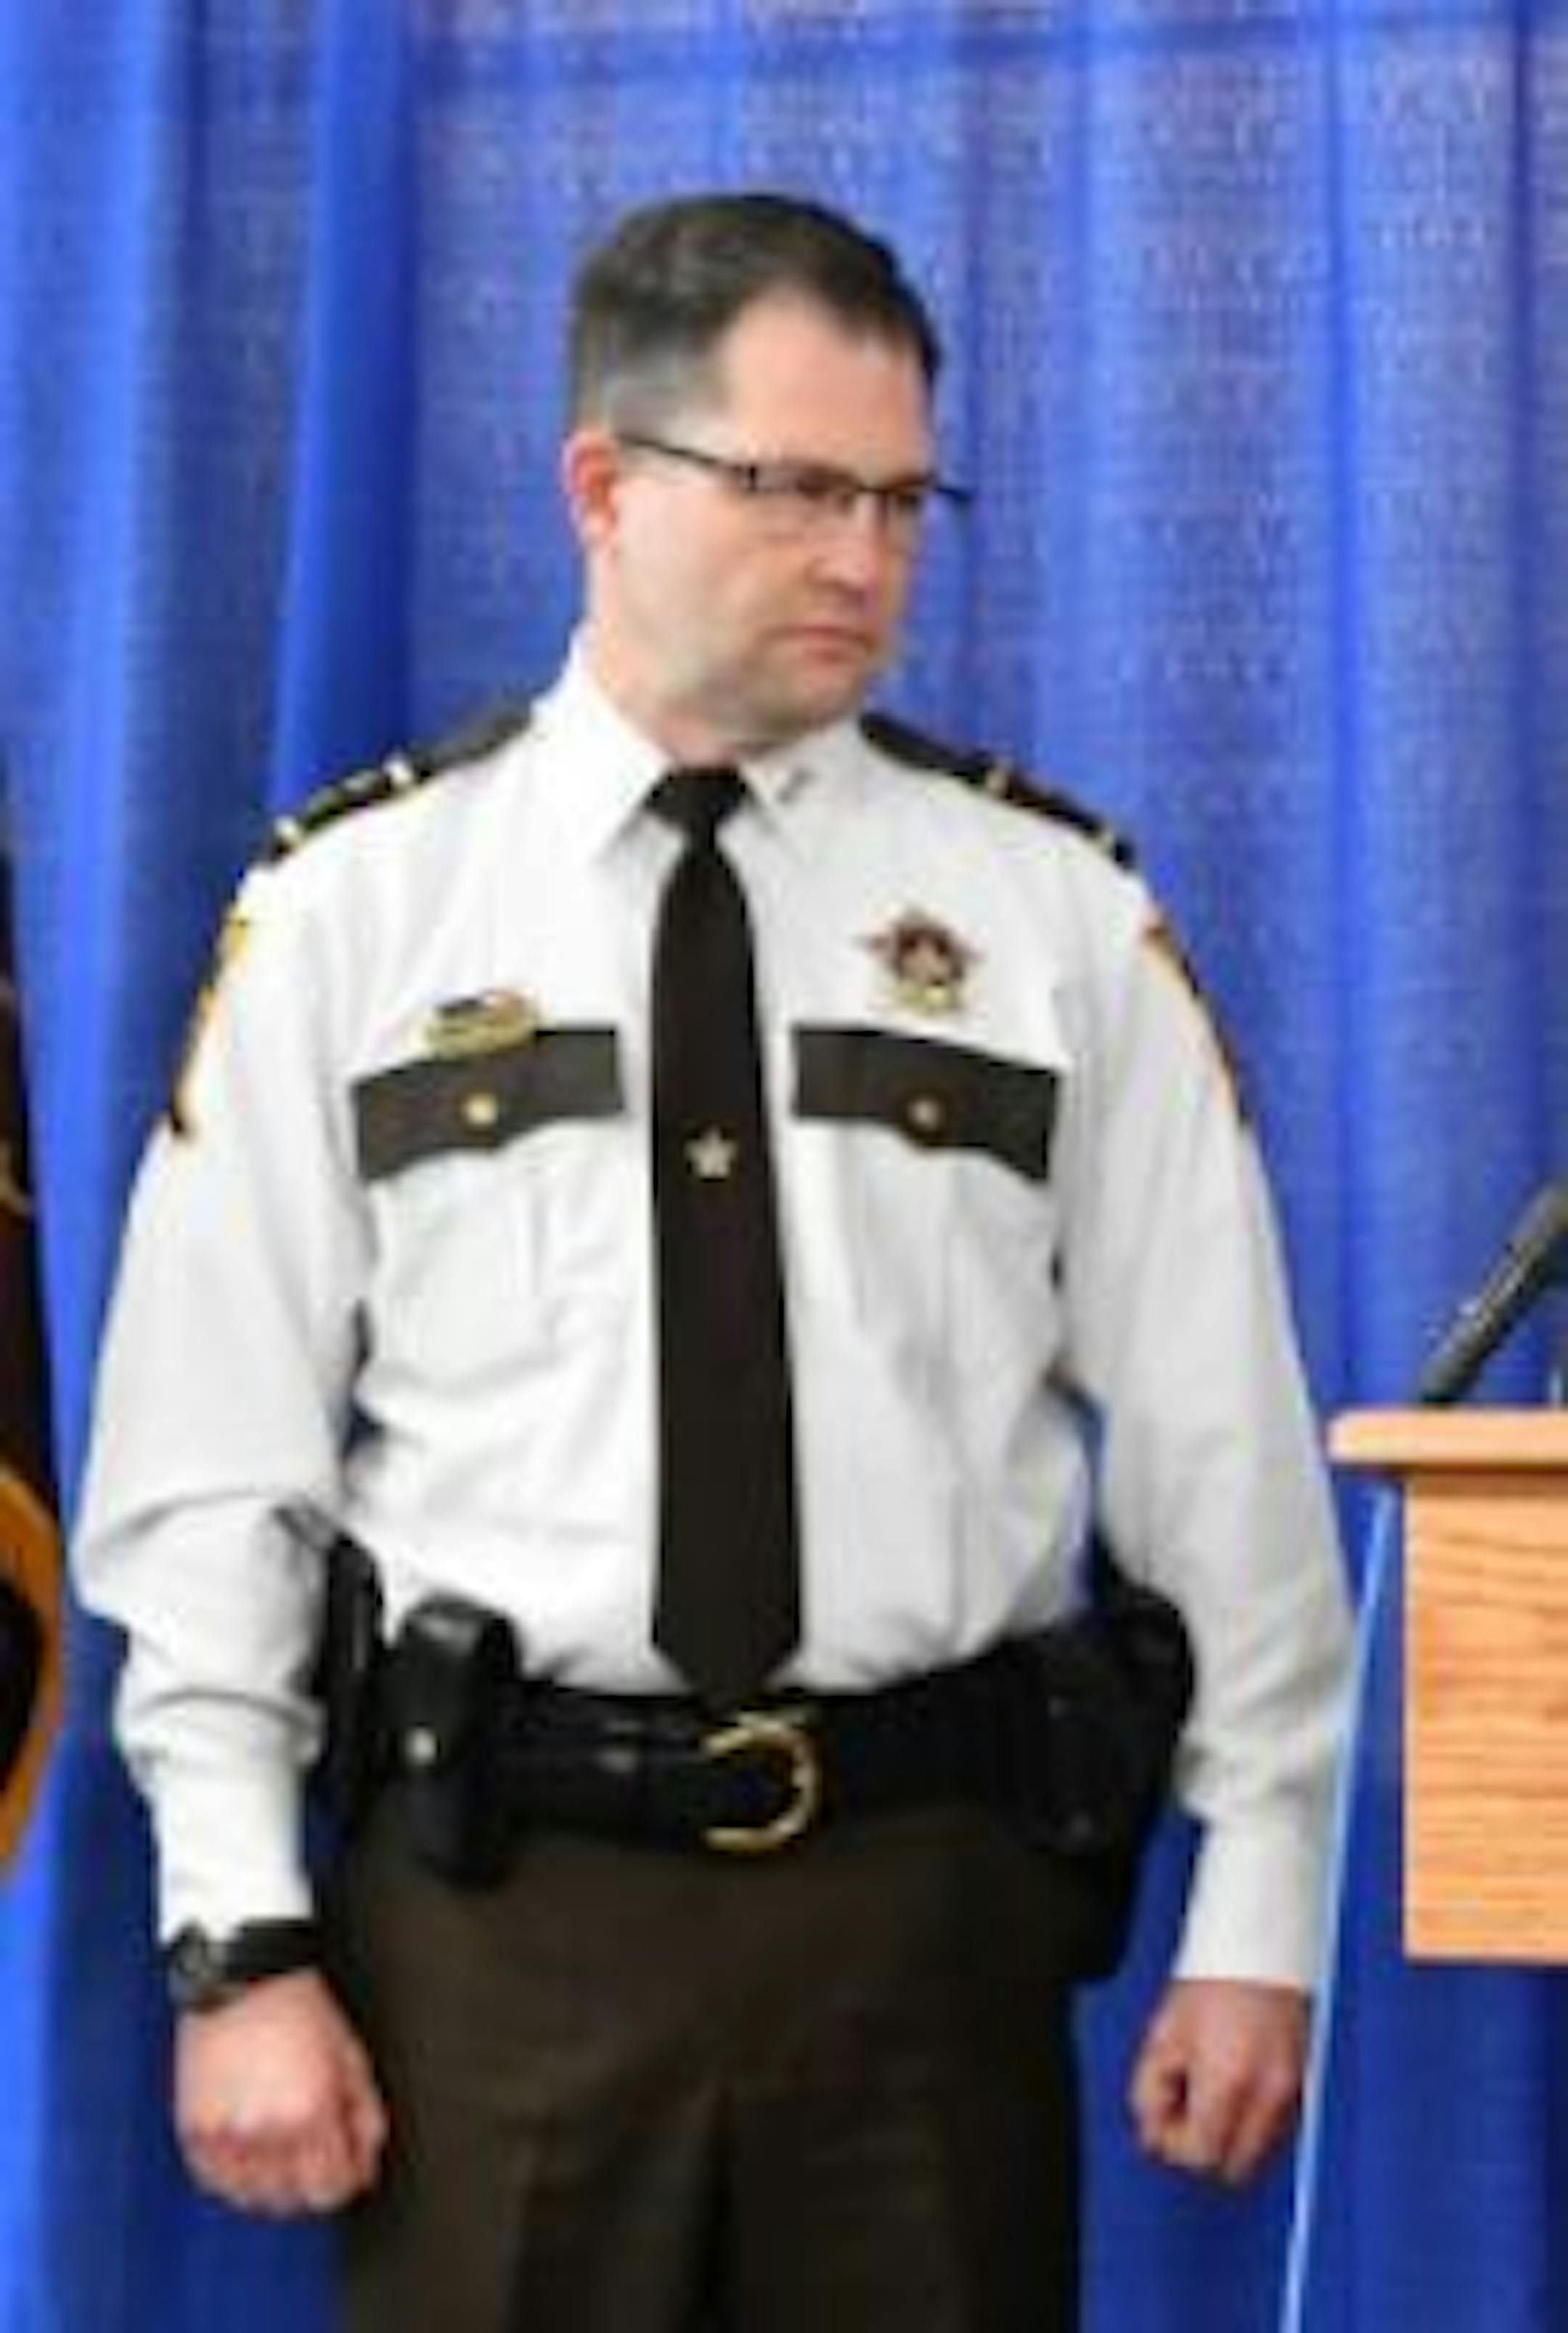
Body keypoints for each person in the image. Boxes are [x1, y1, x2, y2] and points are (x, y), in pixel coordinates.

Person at [75, 191, 1352, 2331]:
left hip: (928, 1931)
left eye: (900, 499)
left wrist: (1263, 1898)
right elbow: (214, 1475)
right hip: (500, 1946)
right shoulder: (359, 915)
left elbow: (1221, 1448)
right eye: (793, 491)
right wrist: (238, 1940)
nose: (865, 559)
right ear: (603, 483)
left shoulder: (1047, 920)